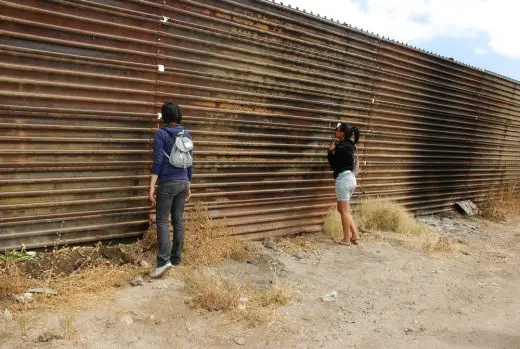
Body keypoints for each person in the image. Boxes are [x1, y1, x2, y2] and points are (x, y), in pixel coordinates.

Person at [149, 102, 193, 277]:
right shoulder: (187, 135)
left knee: (162, 221)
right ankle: (176, 259)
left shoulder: (161, 134)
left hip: (167, 183)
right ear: (179, 115)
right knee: (178, 220)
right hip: (182, 182)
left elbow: (158, 162)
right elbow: (190, 163)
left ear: (164, 117)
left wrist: (152, 186)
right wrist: (188, 184)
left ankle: (163, 261)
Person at [327, 122, 360, 245]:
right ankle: (355, 235)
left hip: (344, 180)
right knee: (341, 209)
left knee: (344, 211)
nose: (335, 131)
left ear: (342, 133)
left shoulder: (341, 148)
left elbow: (334, 166)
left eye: (337, 129)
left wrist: (330, 152)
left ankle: (346, 239)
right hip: (350, 179)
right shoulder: (350, 145)